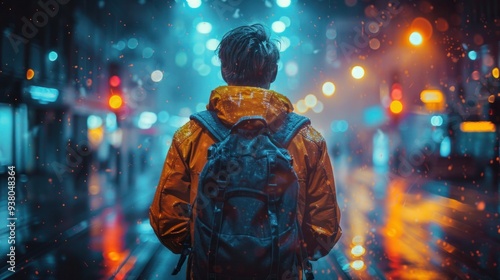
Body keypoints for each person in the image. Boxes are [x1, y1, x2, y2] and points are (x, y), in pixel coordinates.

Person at [149, 23, 342, 279]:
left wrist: (209, 245)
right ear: (272, 73)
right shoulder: (308, 140)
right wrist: (286, 250)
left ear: (224, 70)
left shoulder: (190, 136)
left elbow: (168, 222)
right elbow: (324, 229)